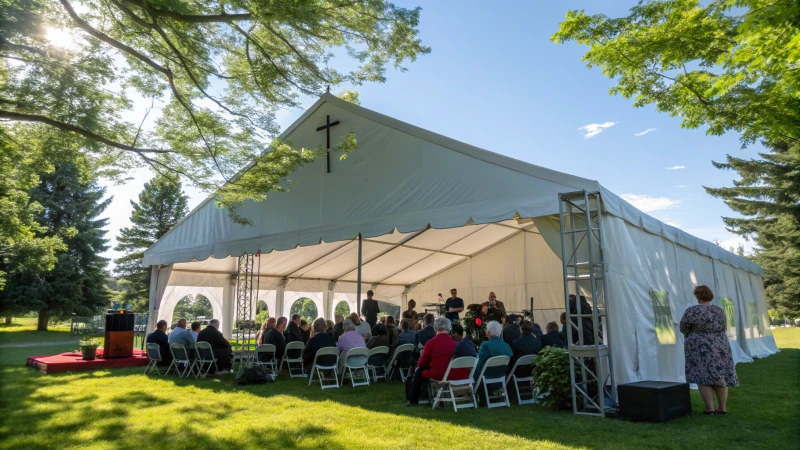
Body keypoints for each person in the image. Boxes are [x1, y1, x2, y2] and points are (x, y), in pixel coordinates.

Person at [680, 285, 738, 415]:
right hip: (720, 345)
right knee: (720, 375)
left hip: (699, 346)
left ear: (698, 297)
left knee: (703, 376)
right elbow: (724, 327)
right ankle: (722, 408)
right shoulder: (719, 311)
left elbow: (683, 327)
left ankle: (710, 408)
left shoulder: (692, 311)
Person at [407, 318, 458, 406]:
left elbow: (422, 363)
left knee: (419, 372)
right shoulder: (455, 343)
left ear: (435, 328)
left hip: (437, 373)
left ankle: (413, 399)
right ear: (449, 328)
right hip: (451, 373)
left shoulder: (431, 343)